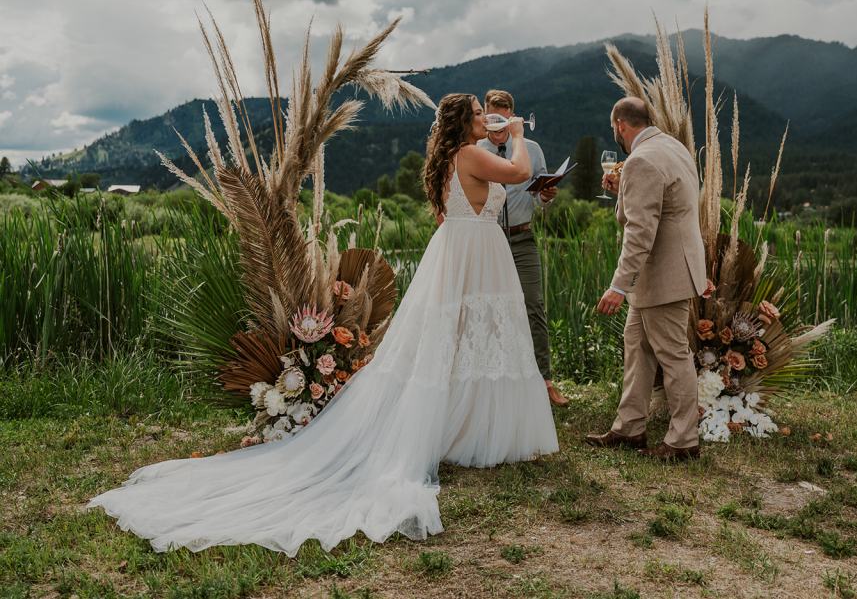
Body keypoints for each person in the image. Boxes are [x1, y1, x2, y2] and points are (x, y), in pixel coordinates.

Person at [87, 93, 559, 556]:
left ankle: (466, 430)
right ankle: (472, 433)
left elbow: (446, 214)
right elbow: (519, 172)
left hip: (460, 253)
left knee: (460, 343)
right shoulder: (471, 154)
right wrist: (518, 134)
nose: (486, 119)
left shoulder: (447, 160)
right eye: (477, 114)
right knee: (478, 339)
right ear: (461, 122)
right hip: (477, 252)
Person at [586, 97, 707, 461]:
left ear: (620, 125)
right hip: (672, 269)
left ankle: (683, 440)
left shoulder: (640, 160)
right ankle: (629, 428)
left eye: (614, 128)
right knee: (637, 347)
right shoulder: (673, 147)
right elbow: (662, 203)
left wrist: (618, 286)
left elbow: (640, 231)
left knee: (673, 354)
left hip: (664, 274)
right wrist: (621, 190)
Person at [477, 89, 568, 407]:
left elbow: (540, 198)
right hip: (487, 240)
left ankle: (545, 381)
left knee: (533, 306)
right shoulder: (476, 149)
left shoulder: (531, 149)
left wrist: (545, 197)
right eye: (493, 118)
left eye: (505, 119)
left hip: (522, 238)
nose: (499, 125)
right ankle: (493, 382)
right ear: (485, 116)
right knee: (488, 309)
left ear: (513, 116)